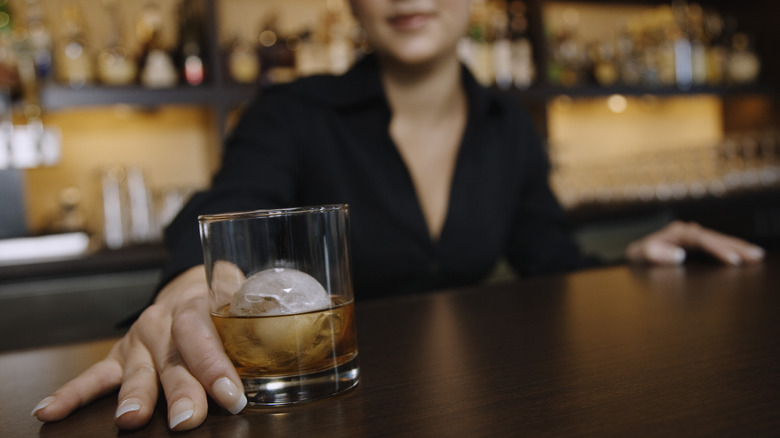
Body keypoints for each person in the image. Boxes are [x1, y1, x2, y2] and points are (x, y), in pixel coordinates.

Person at [31, 0, 765, 432]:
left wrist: (634, 260)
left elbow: (548, 255)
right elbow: (230, 204)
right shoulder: (294, 113)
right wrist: (196, 282)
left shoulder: (506, 125)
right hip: (327, 412)